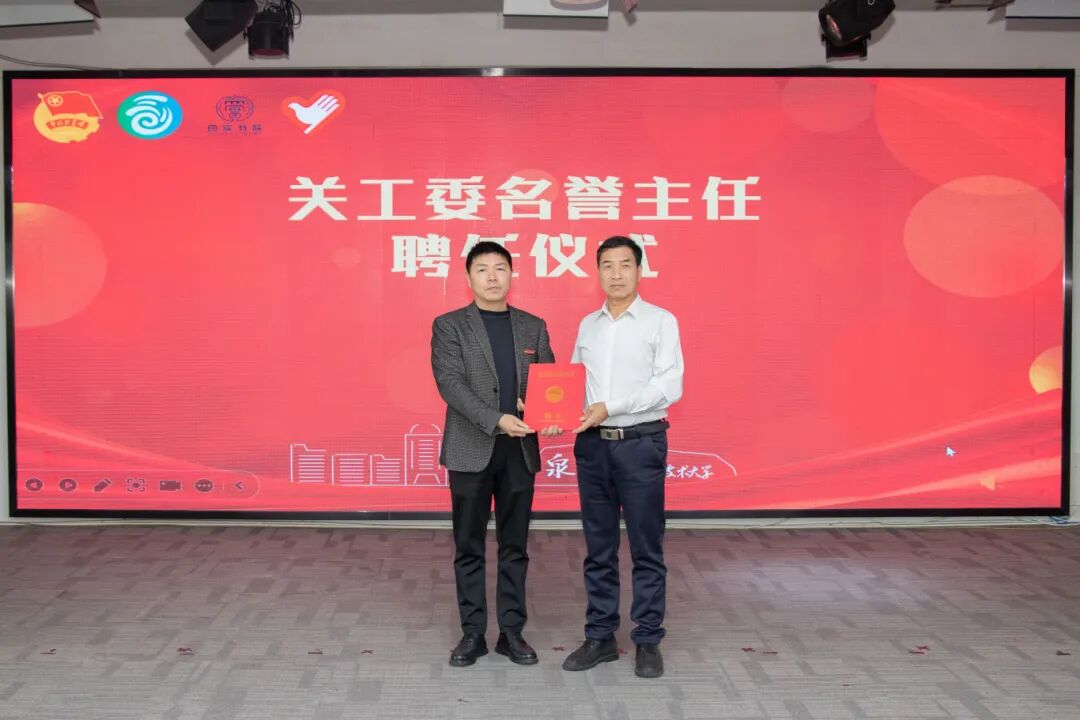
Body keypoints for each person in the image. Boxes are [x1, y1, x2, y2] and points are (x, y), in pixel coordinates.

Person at [560, 235, 684, 679]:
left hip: (640, 444)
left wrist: (611, 407)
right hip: (593, 446)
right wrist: (551, 413)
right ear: (597, 272)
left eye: (625, 264)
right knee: (599, 546)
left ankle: (647, 638)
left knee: (646, 546)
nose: (616, 274)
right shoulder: (588, 325)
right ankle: (600, 637)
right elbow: (574, 384)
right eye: (607, 266)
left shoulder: (660, 321)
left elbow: (669, 386)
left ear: (639, 270)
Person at [430, 240, 555, 668]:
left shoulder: (533, 326)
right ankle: (472, 633)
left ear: (511, 274)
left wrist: (545, 412)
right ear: (469, 277)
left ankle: (512, 632)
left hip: (519, 451)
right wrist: (497, 418)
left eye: (500, 268)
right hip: (471, 448)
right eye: (482, 269)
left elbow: (548, 382)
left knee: (515, 545)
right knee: (468, 546)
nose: (492, 277)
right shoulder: (449, 326)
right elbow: (451, 384)